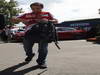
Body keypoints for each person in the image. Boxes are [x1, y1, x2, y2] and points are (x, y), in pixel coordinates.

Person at [11, 2, 58, 69]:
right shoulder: (27, 15)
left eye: (37, 8)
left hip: (44, 33)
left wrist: (47, 20)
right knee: (27, 47)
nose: (35, 10)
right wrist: (22, 20)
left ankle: (41, 61)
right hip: (30, 33)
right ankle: (30, 55)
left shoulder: (47, 14)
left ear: (42, 7)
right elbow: (14, 19)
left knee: (43, 48)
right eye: (33, 8)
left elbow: (56, 21)